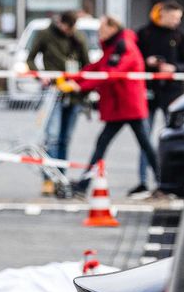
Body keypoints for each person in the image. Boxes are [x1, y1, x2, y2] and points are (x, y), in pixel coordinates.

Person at [68, 15, 159, 195]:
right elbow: (98, 67)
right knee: (114, 143)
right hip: (121, 106)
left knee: (144, 145)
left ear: (112, 28)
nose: (98, 33)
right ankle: (83, 184)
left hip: (128, 105)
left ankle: (164, 182)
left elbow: (111, 73)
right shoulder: (114, 45)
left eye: (101, 28)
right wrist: (74, 78)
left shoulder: (123, 46)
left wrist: (80, 86)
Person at [134, 0, 184, 197]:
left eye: (179, 18)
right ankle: (143, 181)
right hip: (149, 93)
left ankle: (169, 183)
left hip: (172, 93)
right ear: (164, 14)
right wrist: (147, 62)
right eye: (174, 17)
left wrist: (174, 68)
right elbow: (135, 61)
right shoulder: (145, 33)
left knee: (173, 137)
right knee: (145, 137)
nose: (177, 21)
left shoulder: (180, 35)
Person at [26, 10, 89, 189]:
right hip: (53, 92)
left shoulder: (79, 38)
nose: (67, 31)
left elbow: (87, 65)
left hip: (73, 94)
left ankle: (61, 177)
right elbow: (30, 59)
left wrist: (81, 85)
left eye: (71, 28)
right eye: (65, 26)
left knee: (65, 138)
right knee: (52, 137)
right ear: (59, 22)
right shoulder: (45, 34)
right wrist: (40, 75)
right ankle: (48, 178)